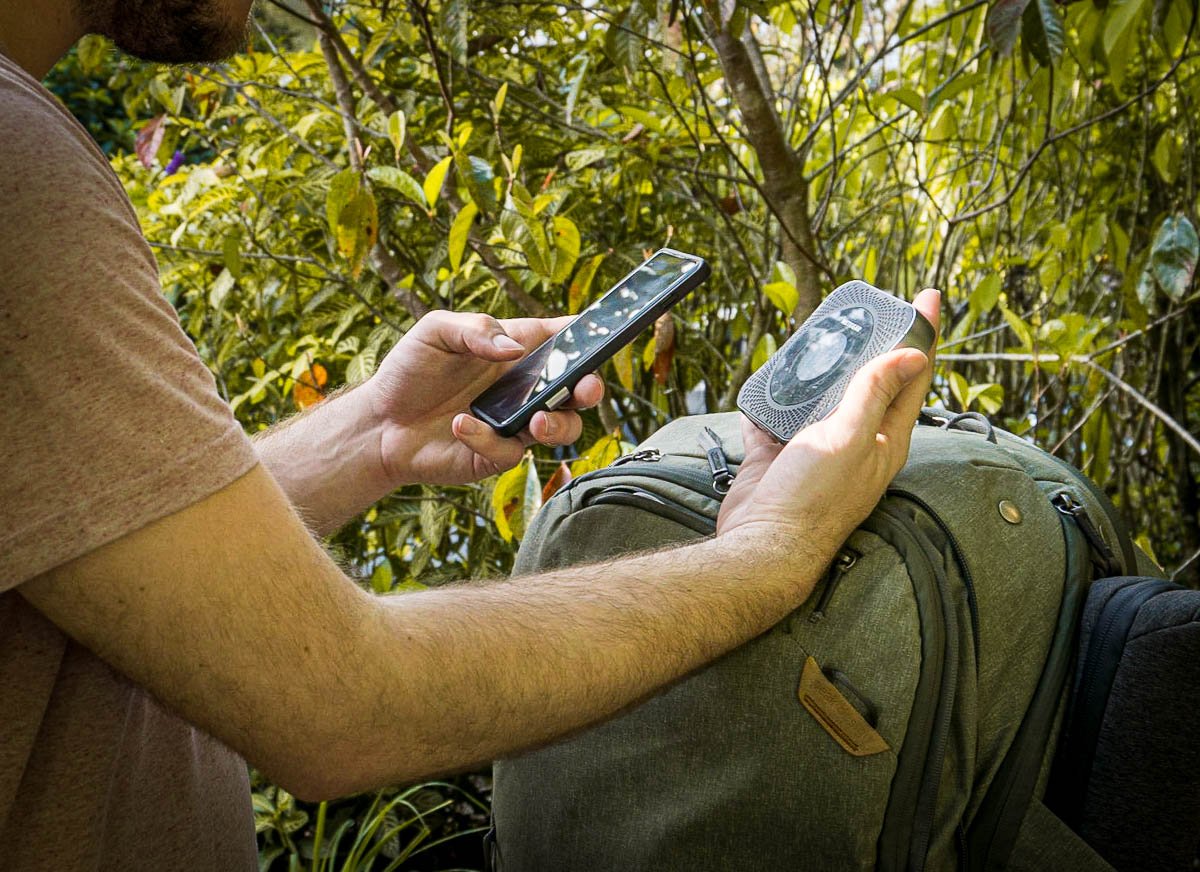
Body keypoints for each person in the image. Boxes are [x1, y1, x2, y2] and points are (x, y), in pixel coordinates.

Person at [0, 0, 941, 868]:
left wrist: (374, 435)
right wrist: (772, 551)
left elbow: (102, 550)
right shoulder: (17, 168)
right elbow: (345, 705)